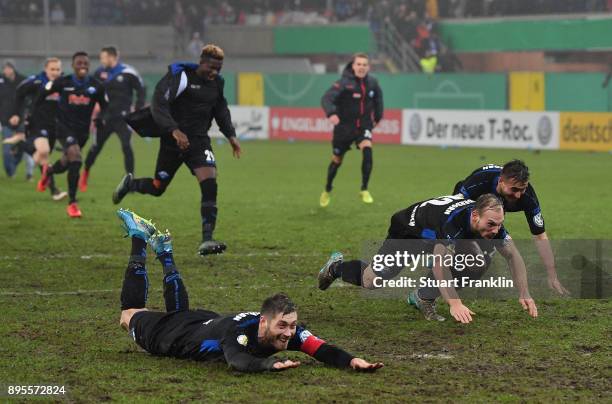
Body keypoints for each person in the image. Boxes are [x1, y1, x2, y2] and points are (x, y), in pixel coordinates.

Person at [115, 208, 384, 373]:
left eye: (291, 326)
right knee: (128, 315)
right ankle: (140, 238)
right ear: (264, 321)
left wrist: (352, 361)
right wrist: (269, 365)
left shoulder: (285, 332)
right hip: (173, 338)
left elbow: (321, 348)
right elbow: (237, 361)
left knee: (180, 313)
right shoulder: (239, 334)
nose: (289, 333)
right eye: (283, 326)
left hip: (202, 321)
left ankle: (164, 252)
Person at [317, 194, 538, 324]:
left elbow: (513, 255)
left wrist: (524, 292)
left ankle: (423, 297)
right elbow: (440, 264)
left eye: (499, 224)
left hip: (435, 235)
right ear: (475, 215)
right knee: (372, 281)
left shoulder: (491, 223)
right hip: (409, 232)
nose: (495, 230)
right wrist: (455, 303)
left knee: (478, 261)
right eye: (491, 224)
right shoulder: (453, 223)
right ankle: (336, 267)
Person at [112, 44, 241, 256]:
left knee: (210, 181)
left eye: (218, 68)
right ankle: (131, 185)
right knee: (157, 186)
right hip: (172, 141)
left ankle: (207, 239)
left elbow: (221, 110)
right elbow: (158, 103)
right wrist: (174, 130)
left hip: (199, 142)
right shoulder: (180, 77)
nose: (214, 72)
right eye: (211, 67)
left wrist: (231, 136)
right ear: (201, 61)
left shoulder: (217, 83)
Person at [453, 160, 569, 296]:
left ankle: (448, 284)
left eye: (522, 189)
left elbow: (540, 236)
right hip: (468, 207)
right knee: (462, 247)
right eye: (514, 189)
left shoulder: (528, 198)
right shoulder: (480, 182)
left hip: (492, 215)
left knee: (480, 262)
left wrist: (552, 273)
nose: (518, 195)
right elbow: (452, 211)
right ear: (500, 181)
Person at [37, 51, 108, 218]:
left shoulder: (96, 85)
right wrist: (34, 116)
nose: (82, 66)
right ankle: (72, 204)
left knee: (67, 163)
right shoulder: (63, 82)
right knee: (76, 159)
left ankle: (50, 171)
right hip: (63, 128)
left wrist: (100, 119)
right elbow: (41, 96)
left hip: (83, 132)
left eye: (85, 63)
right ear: (73, 65)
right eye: (79, 63)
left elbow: (105, 106)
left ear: (88, 65)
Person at [319, 53, 383, 207]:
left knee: (367, 149)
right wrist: (331, 113)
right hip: (344, 128)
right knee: (337, 160)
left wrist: (378, 117)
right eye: (359, 64)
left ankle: (364, 188)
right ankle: (327, 189)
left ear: (368, 67)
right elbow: (326, 98)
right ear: (353, 66)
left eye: (364, 65)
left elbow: (378, 100)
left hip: (363, 126)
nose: (361, 67)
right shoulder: (343, 83)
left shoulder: (373, 83)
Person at [80, 46, 146, 192]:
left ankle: (130, 182)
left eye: (103, 57)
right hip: (104, 118)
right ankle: (85, 172)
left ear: (112, 57)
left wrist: (138, 108)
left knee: (127, 147)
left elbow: (141, 88)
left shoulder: (128, 72)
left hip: (123, 118)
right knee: (96, 148)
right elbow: (91, 91)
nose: (101, 60)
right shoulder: (99, 73)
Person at [9, 57, 67, 200]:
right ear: (46, 69)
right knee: (43, 151)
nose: (55, 72)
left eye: (57, 69)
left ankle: (22, 145)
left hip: (54, 125)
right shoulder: (36, 81)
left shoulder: (63, 84)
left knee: (43, 158)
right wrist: (16, 113)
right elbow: (19, 92)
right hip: (36, 123)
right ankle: (54, 190)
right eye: (52, 69)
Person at [0, 60, 34, 179]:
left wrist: (21, 115)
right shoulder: (1, 81)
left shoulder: (23, 81)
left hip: (21, 120)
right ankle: (11, 171)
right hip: (5, 121)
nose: (6, 70)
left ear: (13, 69)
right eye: (4, 68)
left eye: (8, 68)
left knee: (22, 146)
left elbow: (28, 100)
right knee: (6, 149)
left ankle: (28, 173)